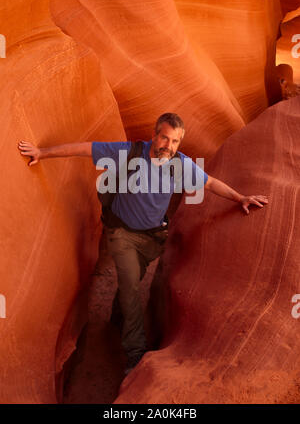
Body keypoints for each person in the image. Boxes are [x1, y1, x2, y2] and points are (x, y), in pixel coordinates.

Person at [18, 113, 268, 375]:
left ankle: (117, 316)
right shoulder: (129, 153)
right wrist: (42, 152)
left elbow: (210, 182)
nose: (168, 146)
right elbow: (85, 148)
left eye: (174, 141)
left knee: (132, 281)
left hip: (152, 238)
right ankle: (135, 354)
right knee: (131, 288)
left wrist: (241, 198)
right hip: (121, 234)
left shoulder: (180, 164)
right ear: (154, 135)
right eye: (164, 138)